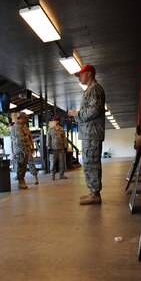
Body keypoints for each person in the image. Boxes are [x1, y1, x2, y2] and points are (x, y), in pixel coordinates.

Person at [68, 64, 105, 205]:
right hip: (89, 133)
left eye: (81, 74)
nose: (79, 77)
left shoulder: (95, 89)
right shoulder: (90, 90)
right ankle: (92, 191)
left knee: (92, 163)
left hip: (92, 133)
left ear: (89, 74)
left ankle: (95, 194)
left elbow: (94, 110)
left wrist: (76, 114)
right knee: (89, 163)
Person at [10, 112, 35, 190]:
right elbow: (19, 141)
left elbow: (28, 138)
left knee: (23, 166)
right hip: (20, 150)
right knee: (20, 166)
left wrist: (30, 148)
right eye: (25, 118)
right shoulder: (17, 127)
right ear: (21, 118)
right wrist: (24, 150)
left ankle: (22, 181)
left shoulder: (23, 126)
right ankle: (21, 182)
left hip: (25, 150)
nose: (26, 120)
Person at [47, 116, 68, 180]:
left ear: (58, 121)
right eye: (54, 120)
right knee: (53, 162)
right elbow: (48, 139)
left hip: (61, 148)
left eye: (56, 120)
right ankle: (52, 175)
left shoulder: (62, 129)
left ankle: (61, 174)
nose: (55, 121)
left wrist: (65, 146)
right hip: (53, 149)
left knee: (61, 162)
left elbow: (64, 139)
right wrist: (49, 147)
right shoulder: (50, 129)